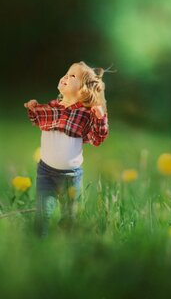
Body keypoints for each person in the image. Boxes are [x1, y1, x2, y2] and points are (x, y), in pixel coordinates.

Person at [24, 61, 109, 237]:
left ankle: (68, 242)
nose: (66, 77)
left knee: (69, 215)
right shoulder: (52, 107)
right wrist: (33, 108)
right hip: (46, 172)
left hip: (71, 176)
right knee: (43, 212)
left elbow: (97, 138)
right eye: (66, 73)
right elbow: (38, 119)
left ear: (82, 90)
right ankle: (39, 242)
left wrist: (100, 119)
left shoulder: (85, 115)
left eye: (72, 76)